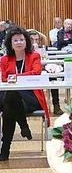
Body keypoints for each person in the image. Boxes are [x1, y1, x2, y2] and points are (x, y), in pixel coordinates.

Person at [0, 27, 51, 161]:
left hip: (31, 96)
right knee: (10, 102)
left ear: (26, 42)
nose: (19, 43)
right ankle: (23, 126)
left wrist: (15, 77)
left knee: (9, 103)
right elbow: (5, 78)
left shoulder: (34, 56)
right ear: (10, 43)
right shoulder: (5, 59)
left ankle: (5, 150)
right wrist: (20, 78)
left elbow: (36, 72)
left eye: (22, 39)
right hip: (13, 99)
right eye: (15, 40)